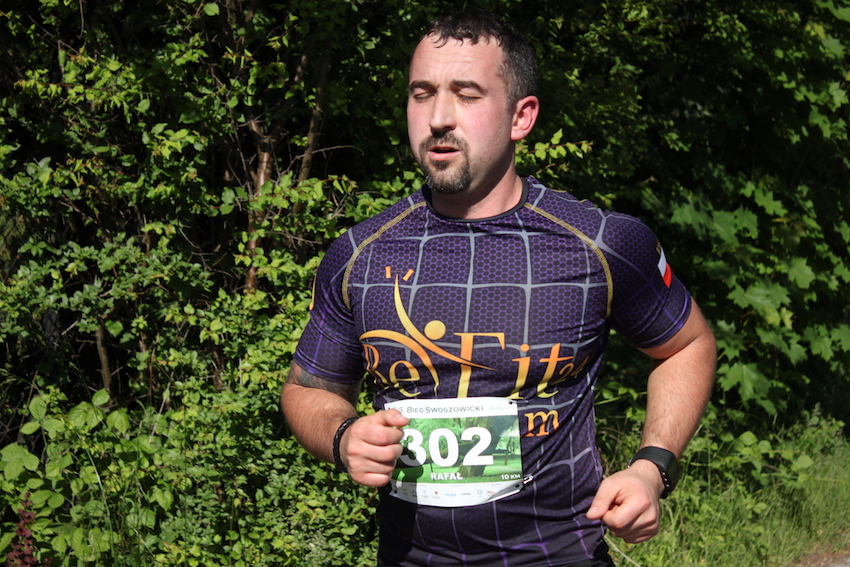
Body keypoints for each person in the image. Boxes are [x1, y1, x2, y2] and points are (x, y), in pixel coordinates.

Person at [281, 10, 716, 567]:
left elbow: (687, 346)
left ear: (521, 116)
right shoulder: (360, 254)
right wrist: (343, 436)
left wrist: (651, 469)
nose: (439, 117)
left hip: (559, 555)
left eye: (467, 95)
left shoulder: (601, 243)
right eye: (421, 93)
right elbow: (306, 390)